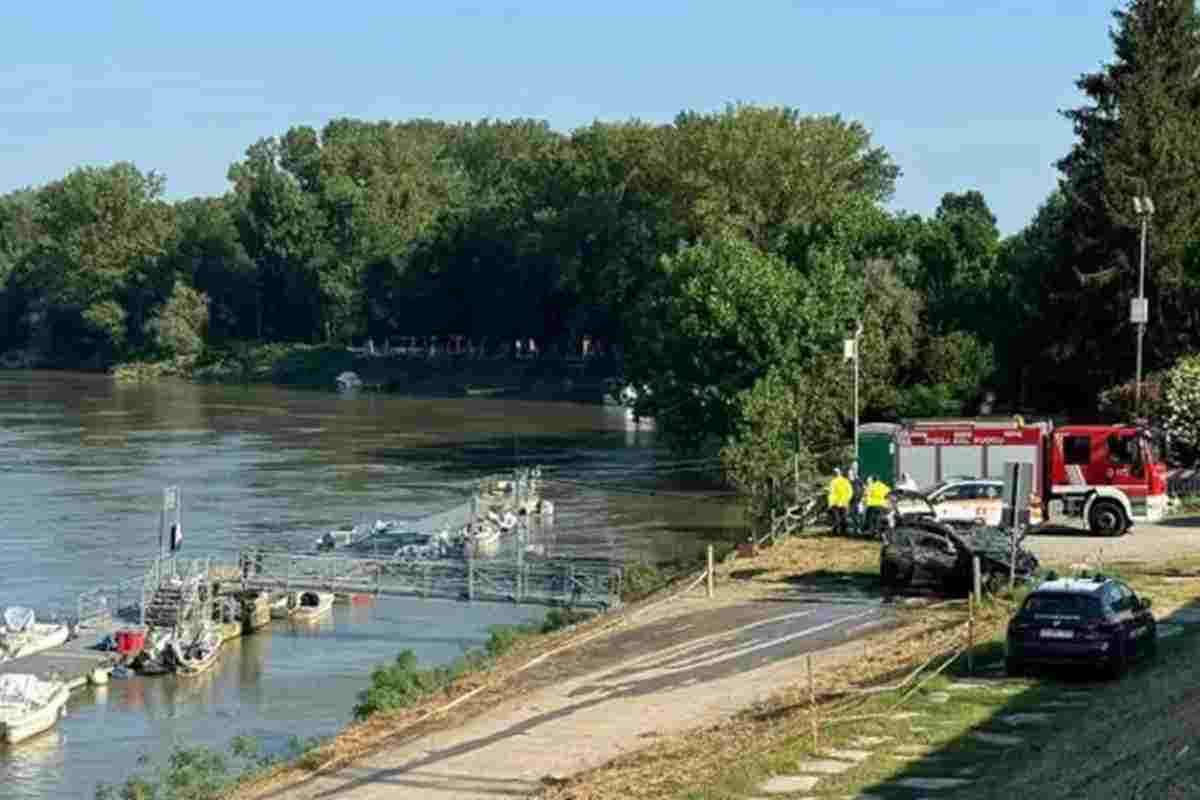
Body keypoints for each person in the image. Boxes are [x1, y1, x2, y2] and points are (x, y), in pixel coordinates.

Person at [827, 468, 853, 536]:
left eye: (835, 472)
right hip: (842, 502)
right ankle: (843, 532)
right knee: (843, 517)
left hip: (837, 502)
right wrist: (847, 499)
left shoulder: (833, 482)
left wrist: (830, 503)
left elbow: (831, 493)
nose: (835, 473)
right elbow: (850, 492)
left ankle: (837, 532)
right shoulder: (845, 481)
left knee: (837, 518)